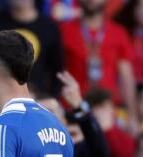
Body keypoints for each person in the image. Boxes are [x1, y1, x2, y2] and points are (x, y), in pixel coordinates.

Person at [59, 0, 138, 134]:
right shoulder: (63, 30)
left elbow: (126, 77)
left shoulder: (118, 32)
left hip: (108, 112)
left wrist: (132, 115)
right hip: (72, 110)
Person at [0, 0, 64, 96]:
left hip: (38, 103)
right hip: (0, 103)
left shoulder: (49, 28)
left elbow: (57, 72)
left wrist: (49, 100)